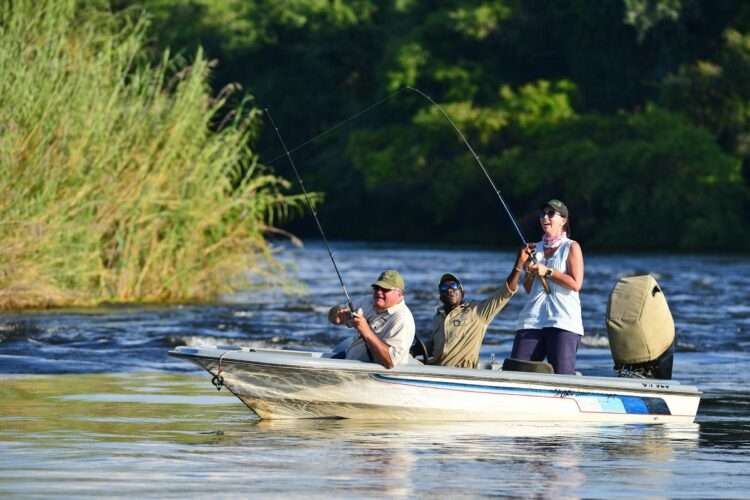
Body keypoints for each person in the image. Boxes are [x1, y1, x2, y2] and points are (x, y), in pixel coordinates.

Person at [511, 199, 584, 375]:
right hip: (531, 320)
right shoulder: (534, 248)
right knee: (516, 373)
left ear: (563, 220)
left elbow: (576, 284)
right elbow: (528, 288)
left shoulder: (571, 247)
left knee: (562, 378)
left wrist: (548, 271)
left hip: (563, 321)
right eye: (543, 213)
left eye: (551, 214)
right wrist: (529, 271)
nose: (545, 217)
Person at [426, 248, 528, 368]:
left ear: (462, 293)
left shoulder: (477, 312)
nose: (449, 290)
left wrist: (519, 263)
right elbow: (433, 346)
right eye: (444, 287)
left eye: (453, 286)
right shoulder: (437, 317)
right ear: (440, 296)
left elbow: (505, 292)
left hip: (461, 373)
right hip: (436, 369)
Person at [328, 270, 415, 369]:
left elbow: (390, 362)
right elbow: (333, 318)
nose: (379, 292)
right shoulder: (368, 301)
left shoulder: (402, 319)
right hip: (350, 358)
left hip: (375, 374)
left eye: (385, 289)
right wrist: (339, 315)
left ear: (399, 294)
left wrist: (365, 329)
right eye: (376, 288)